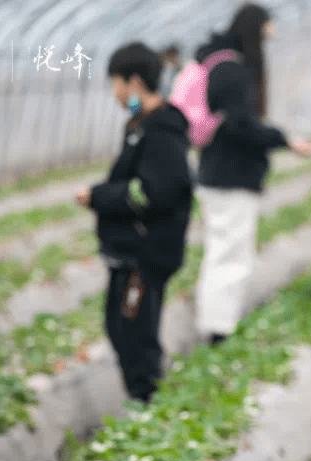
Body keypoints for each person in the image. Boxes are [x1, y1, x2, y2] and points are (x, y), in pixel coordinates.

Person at [76, 42, 193, 405]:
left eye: (116, 83)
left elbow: (153, 192)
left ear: (135, 82)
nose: (115, 93)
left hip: (145, 254)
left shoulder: (161, 133)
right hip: (133, 252)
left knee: (133, 331)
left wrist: (99, 197)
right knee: (122, 326)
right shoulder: (141, 126)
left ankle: (150, 403)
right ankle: (150, 400)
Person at [193, 3, 311, 345]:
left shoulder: (218, 63)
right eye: (266, 32)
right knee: (230, 254)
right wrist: (284, 140)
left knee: (222, 250)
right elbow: (240, 125)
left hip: (217, 173)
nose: (267, 41)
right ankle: (218, 330)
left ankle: (215, 323)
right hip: (230, 177)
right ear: (254, 30)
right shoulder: (233, 71)